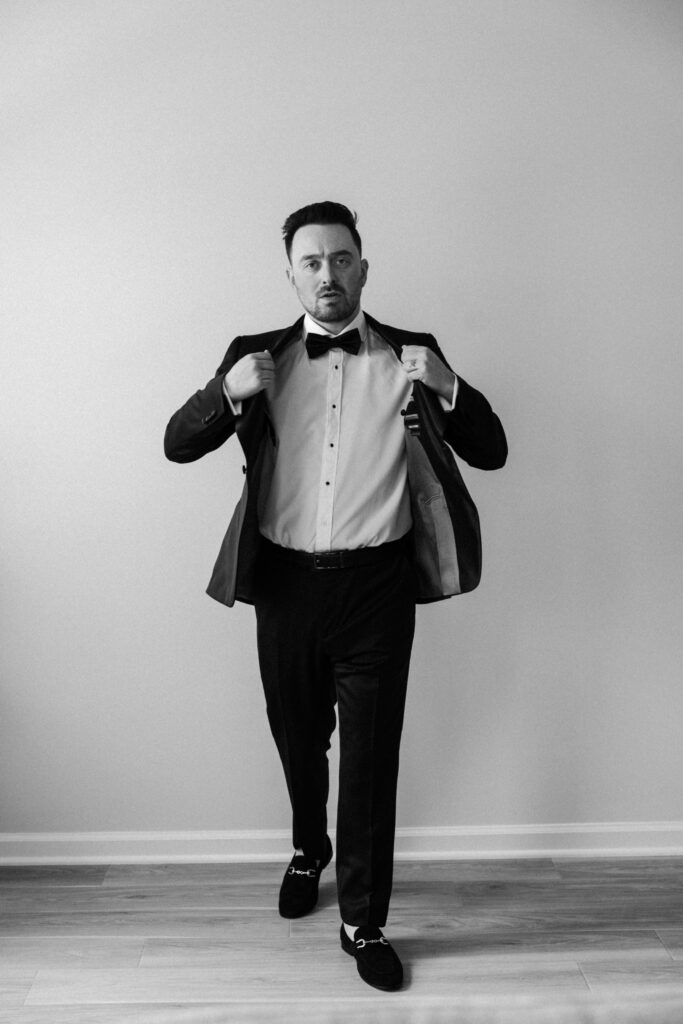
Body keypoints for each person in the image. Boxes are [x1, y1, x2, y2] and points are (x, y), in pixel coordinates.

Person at [164, 201, 507, 991]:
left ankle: (362, 921)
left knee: (371, 758)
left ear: (363, 268)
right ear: (290, 274)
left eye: (341, 259)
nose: (328, 274)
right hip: (284, 586)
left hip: (377, 588)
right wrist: (225, 391)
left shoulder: (413, 355)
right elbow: (178, 443)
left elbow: (491, 449)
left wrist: (449, 386)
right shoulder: (253, 357)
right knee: (297, 738)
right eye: (312, 262)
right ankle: (306, 848)